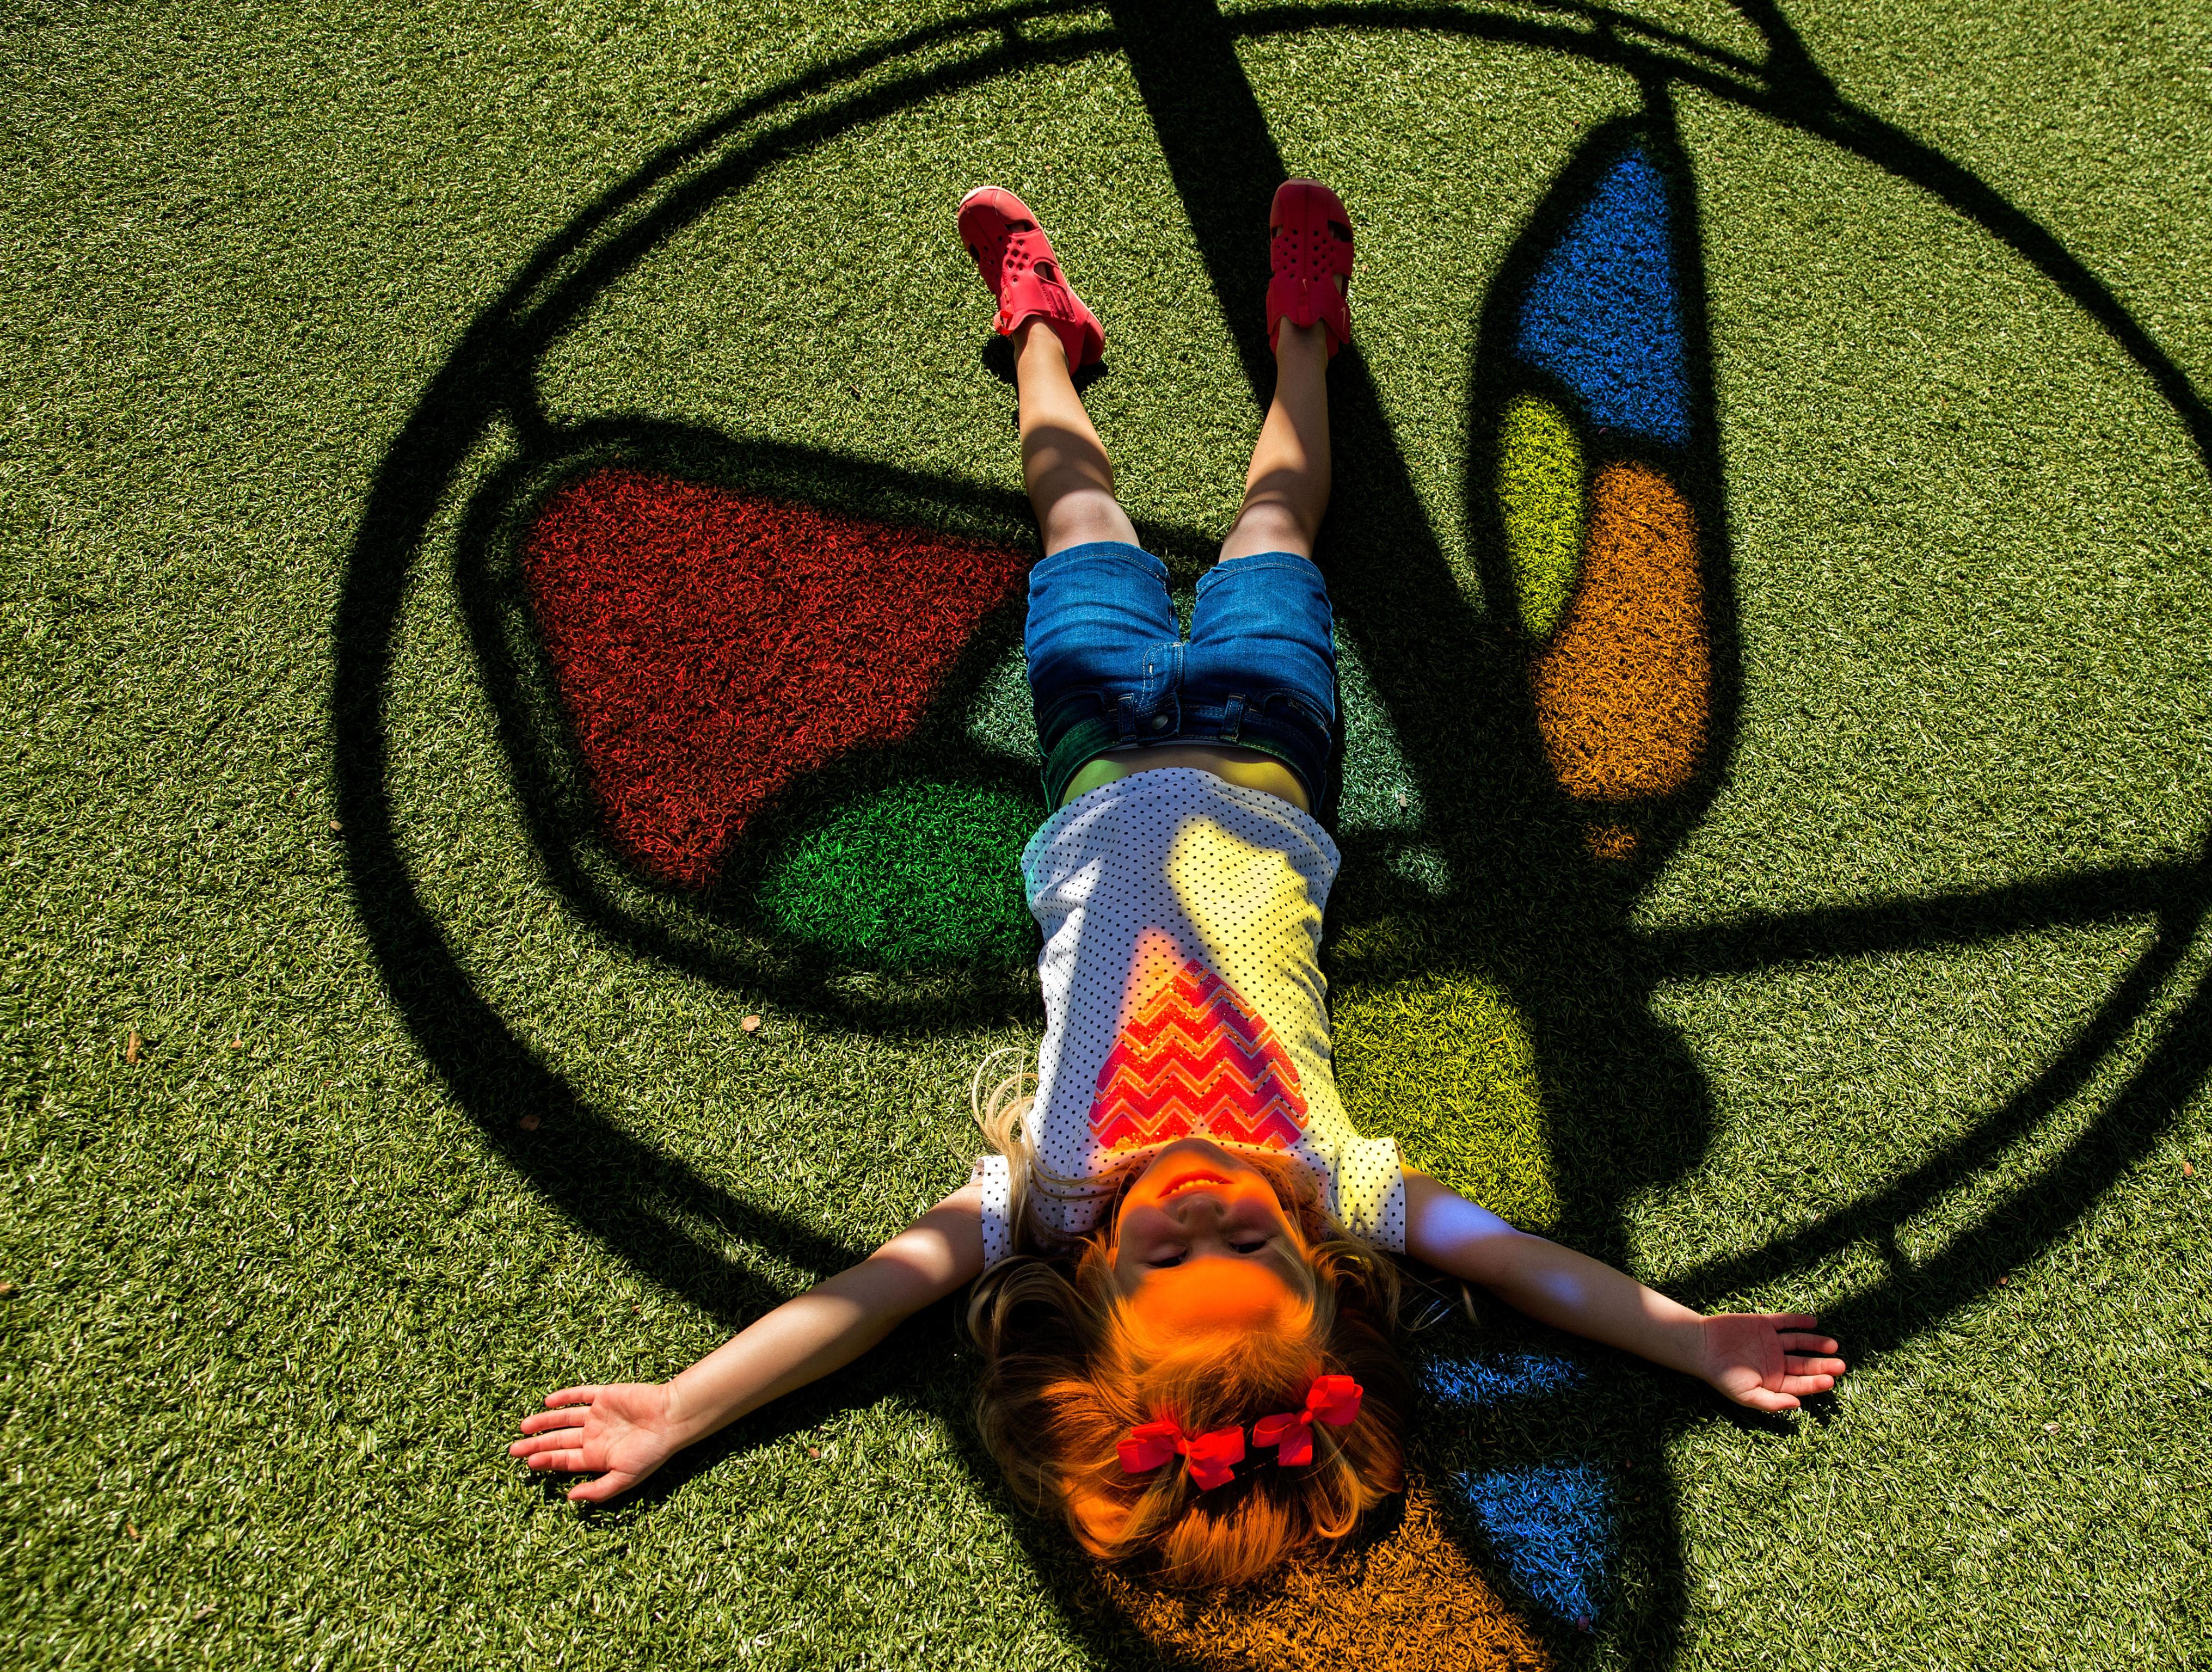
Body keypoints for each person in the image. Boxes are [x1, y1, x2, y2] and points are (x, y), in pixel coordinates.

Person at [508, 181, 1845, 1582]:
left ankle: (1040, 332)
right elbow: (1521, 1263)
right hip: (1269, 738)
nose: (1206, 1212)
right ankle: (1306, 338)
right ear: (1316, 1269)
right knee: (1275, 527)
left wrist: (685, 1404)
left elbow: (870, 1294)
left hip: (1095, 747)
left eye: (1167, 1259)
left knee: (1078, 519)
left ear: (1096, 1285)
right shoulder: (1332, 1177)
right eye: (1251, 1255)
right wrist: (1689, 1335)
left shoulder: (1052, 1188)